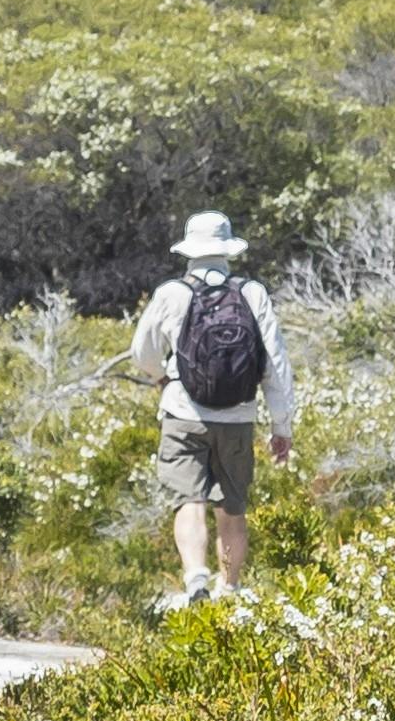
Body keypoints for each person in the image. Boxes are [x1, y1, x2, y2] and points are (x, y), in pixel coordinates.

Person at [125, 209, 296, 609]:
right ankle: (230, 590)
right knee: (232, 507)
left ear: (189, 251)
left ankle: (195, 579)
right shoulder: (252, 293)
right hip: (238, 416)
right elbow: (276, 364)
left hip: (183, 413)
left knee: (189, 499)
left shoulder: (172, 293)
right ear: (228, 250)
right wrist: (281, 425)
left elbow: (142, 353)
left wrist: (161, 378)